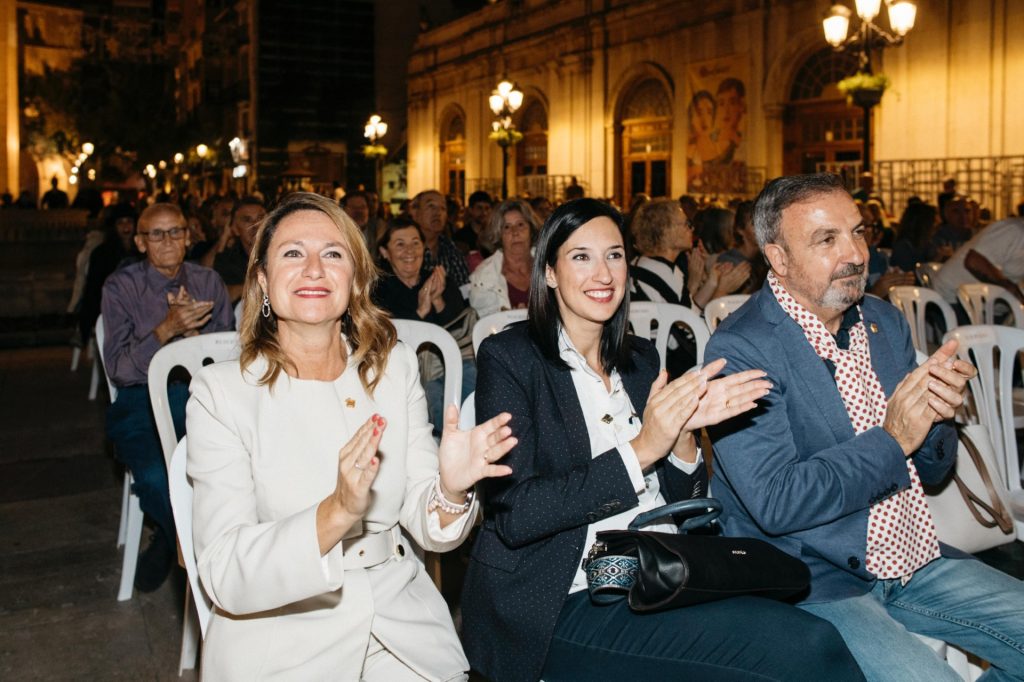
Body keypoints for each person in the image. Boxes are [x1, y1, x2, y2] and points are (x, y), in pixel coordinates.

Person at [461, 198, 865, 682]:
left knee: (804, 637)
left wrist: (684, 440)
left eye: (614, 255)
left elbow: (688, 510)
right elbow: (517, 515)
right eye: (581, 256)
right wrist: (642, 449)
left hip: (666, 573)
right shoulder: (511, 358)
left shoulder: (640, 360)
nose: (603, 274)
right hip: (564, 596)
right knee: (805, 647)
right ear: (549, 271)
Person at [705, 173, 1024, 680]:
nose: (855, 253)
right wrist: (893, 438)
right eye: (826, 239)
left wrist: (937, 414)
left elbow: (932, 472)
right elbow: (777, 502)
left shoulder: (882, 322)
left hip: (912, 554)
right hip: (812, 575)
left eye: (858, 231)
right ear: (779, 258)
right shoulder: (742, 348)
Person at [186, 192, 515, 679]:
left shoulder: (394, 367)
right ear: (263, 281)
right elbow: (225, 572)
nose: (314, 269)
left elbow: (432, 530)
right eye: (293, 253)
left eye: (333, 254)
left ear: (355, 278)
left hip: (401, 624)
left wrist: (450, 489)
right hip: (283, 632)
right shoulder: (223, 392)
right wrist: (336, 512)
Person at [102, 203, 233, 592]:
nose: (167, 241)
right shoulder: (121, 287)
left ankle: (171, 538)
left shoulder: (208, 282)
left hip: (199, 396)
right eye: (156, 234)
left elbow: (229, 359)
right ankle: (189, 542)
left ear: (189, 236)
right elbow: (120, 370)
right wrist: (166, 329)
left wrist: (193, 339)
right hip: (140, 401)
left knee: (241, 464)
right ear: (141, 242)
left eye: (175, 231)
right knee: (157, 477)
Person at [373, 217, 477, 434]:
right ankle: (450, 439)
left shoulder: (437, 279)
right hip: (402, 372)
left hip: (448, 365)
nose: (409, 251)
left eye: (415, 243)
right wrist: (420, 311)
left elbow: (459, 323)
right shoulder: (378, 289)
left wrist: (437, 300)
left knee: (472, 375)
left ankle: (468, 435)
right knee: (432, 392)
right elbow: (381, 336)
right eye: (400, 244)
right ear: (384, 252)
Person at [628, 198, 702, 376]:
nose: (691, 229)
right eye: (687, 224)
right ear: (667, 231)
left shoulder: (639, 263)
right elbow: (690, 325)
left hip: (640, 357)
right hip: (662, 363)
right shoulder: (664, 270)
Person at [79, 203, 140, 347]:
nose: (125, 227)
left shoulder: (142, 251)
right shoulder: (102, 254)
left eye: (129, 222)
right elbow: (93, 290)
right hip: (111, 307)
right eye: (120, 223)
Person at [468, 199, 539, 318]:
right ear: (498, 236)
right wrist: (509, 320)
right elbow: (486, 325)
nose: (515, 232)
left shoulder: (551, 266)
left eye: (520, 225)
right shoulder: (483, 276)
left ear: (531, 230)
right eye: (506, 227)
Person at [932, 215, 1024, 306]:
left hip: (981, 303)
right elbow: (974, 262)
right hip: (952, 298)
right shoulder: (1013, 230)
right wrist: (1012, 290)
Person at [409, 189, 470, 290]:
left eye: (443, 208)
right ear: (414, 213)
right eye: (431, 206)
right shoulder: (405, 250)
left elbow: (465, 291)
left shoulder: (451, 249)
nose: (438, 212)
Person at [212, 196, 266, 302]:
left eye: (260, 218)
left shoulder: (279, 254)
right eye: (247, 220)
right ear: (235, 229)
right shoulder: (228, 259)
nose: (255, 225)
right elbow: (221, 294)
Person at [890, 202, 939, 273]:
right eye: (933, 222)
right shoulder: (903, 247)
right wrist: (937, 259)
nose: (936, 225)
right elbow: (910, 275)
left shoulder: (927, 244)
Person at [454, 190, 493, 256]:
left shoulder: (494, 236)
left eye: (487, 208)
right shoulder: (460, 237)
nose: (484, 213)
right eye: (479, 208)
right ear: (470, 210)